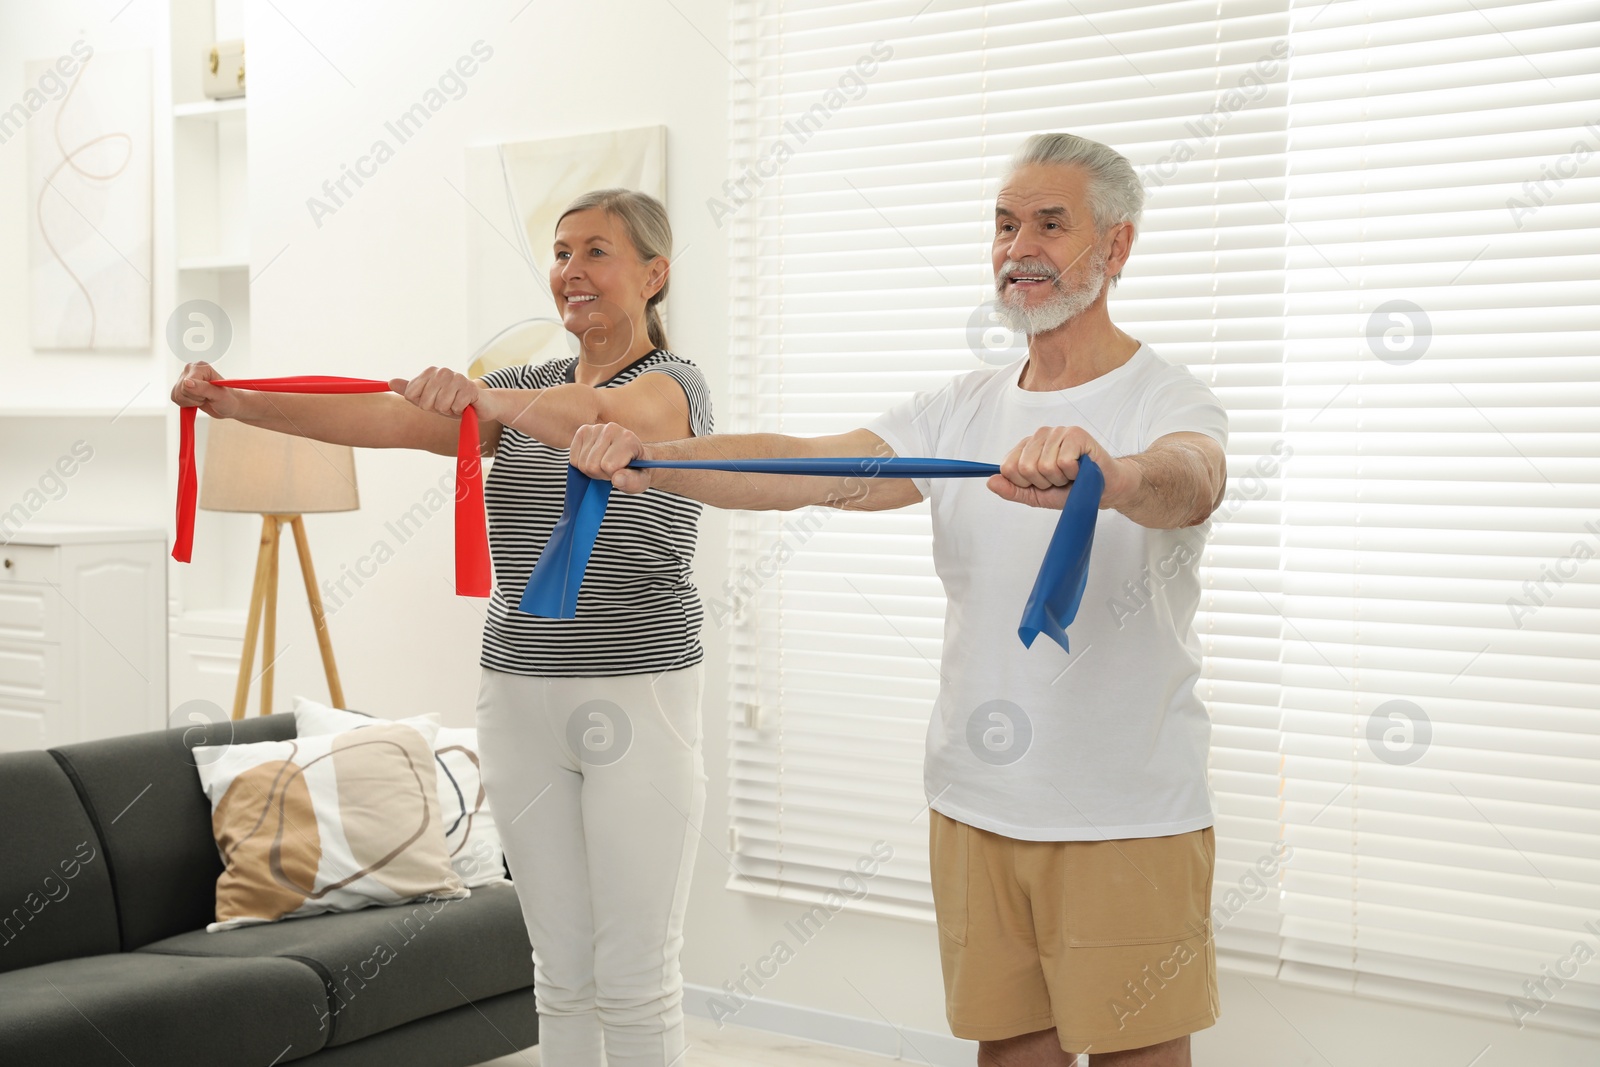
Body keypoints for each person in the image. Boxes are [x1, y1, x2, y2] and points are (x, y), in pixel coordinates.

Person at [568, 135, 1228, 1066]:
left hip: (1122, 813)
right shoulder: (961, 405)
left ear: (1116, 248)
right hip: (976, 798)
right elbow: (810, 468)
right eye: (1004, 225)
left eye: (1050, 223)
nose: (1018, 247)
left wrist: (1111, 475)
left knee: (1138, 1058)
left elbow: (1190, 480)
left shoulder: (1168, 399)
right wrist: (653, 460)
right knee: (1011, 1051)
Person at [172, 188, 713, 1067]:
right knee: (561, 968)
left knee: (637, 972)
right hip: (518, 699)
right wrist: (239, 403)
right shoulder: (527, 386)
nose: (572, 271)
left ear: (654, 274)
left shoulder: (673, 385)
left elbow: (616, 422)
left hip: (636, 695)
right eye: (562, 251)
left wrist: (486, 402)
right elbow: (387, 418)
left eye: (597, 252)